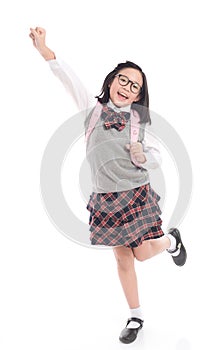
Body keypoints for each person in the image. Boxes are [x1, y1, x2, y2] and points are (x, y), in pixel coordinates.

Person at [29, 27, 187, 344]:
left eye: (135, 86)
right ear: (111, 81)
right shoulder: (92, 109)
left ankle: (170, 242)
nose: (126, 87)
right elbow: (67, 79)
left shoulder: (139, 122)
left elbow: (155, 154)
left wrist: (144, 155)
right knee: (122, 258)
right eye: (122, 80)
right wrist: (47, 52)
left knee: (141, 255)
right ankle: (136, 316)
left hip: (137, 196)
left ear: (139, 95)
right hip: (105, 199)